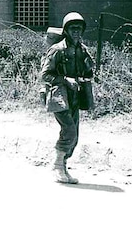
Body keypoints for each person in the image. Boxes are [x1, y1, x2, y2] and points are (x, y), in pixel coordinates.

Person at [40, 12, 95, 184]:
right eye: (72, 29)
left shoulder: (83, 50)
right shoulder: (57, 50)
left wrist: (87, 72)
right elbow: (45, 75)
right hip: (59, 95)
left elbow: (88, 72)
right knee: (69, 131)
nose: (76, 32)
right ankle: (57, 166)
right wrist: (65, 80)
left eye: (79, 29)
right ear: (66, 30)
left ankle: (63, 167)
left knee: (75, 136)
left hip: (75, 95)